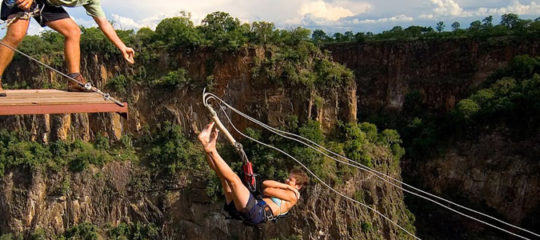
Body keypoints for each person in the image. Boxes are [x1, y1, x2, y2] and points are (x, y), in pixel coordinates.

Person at [0, 0, 135, 96]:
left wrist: (123, 47)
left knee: (73, 32)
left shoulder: (92, 1)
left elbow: (104, 23)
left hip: (47, 3)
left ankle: (74, 80)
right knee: (16, 35)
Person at [198, 122, 309, 225]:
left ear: (298, 186)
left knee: (234, 180)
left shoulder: (292, 196)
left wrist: (288, 188)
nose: (286, 180)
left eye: (290, 180)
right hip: (246, 209)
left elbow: (267, 190)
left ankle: (212, 150)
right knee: (223, 178)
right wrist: (285, 185)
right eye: (288, 178)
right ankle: (204, 142)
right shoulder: (286, 189)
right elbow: (266, 183)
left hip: (256, 211)